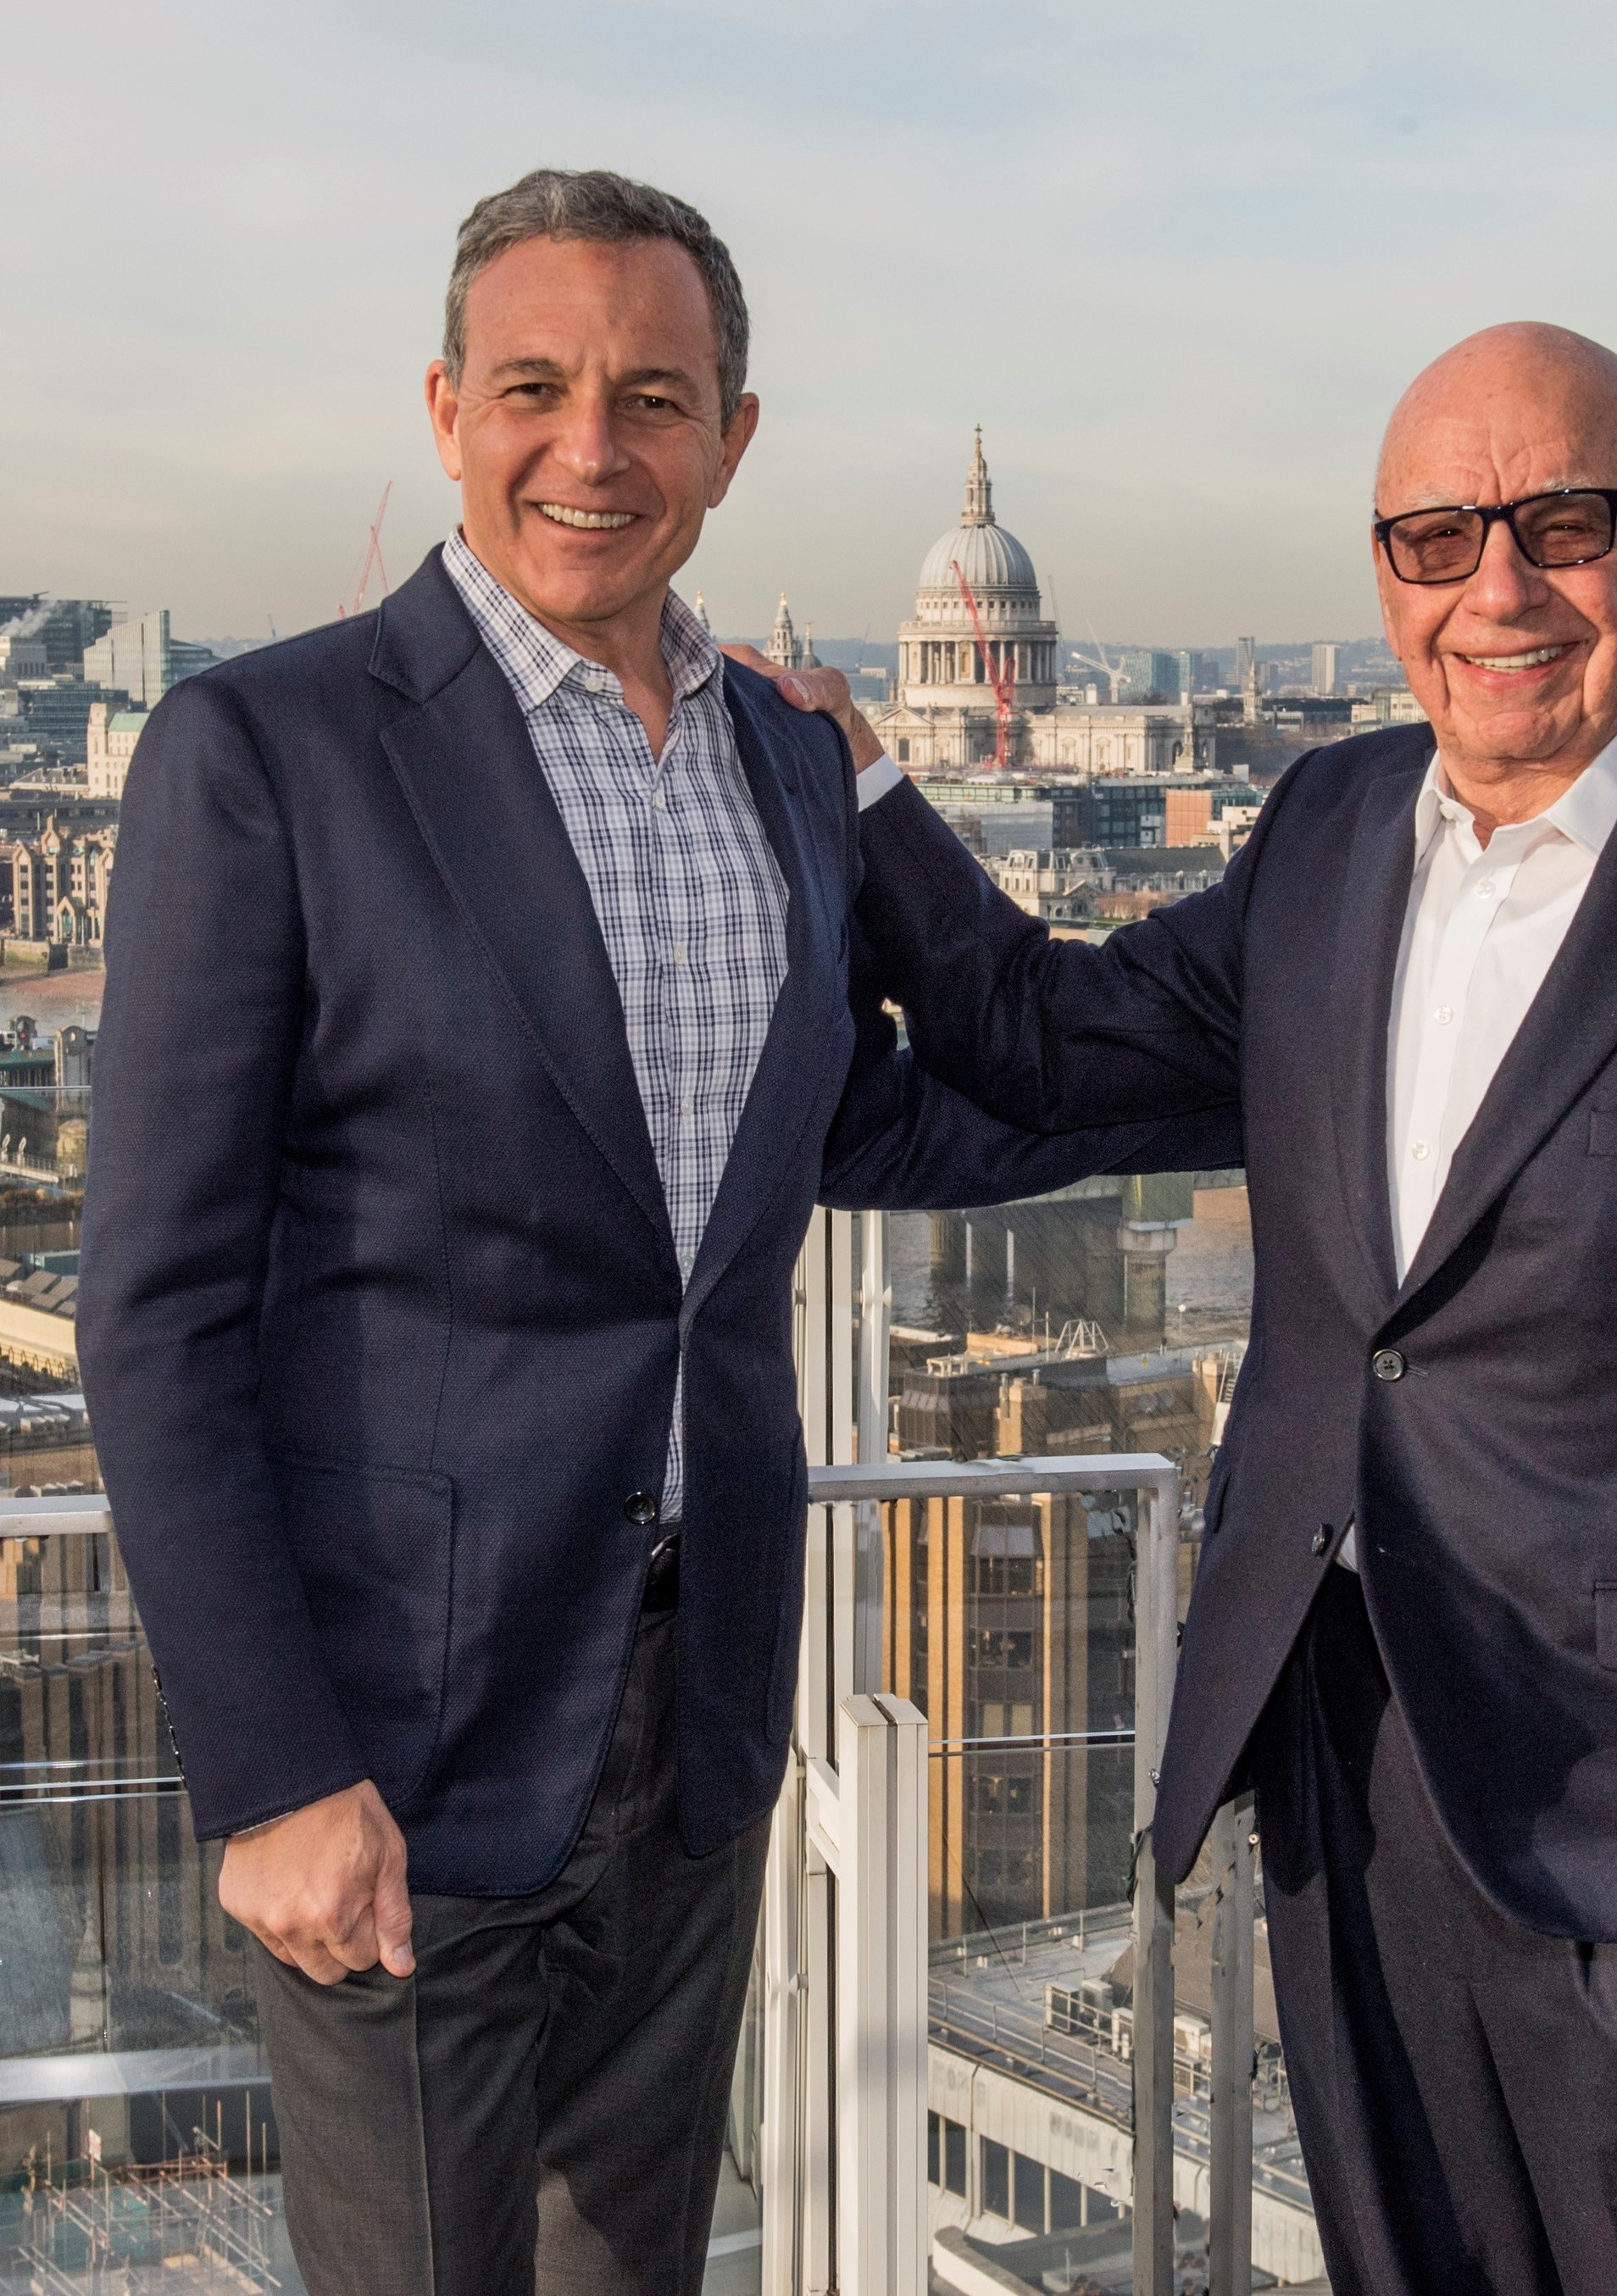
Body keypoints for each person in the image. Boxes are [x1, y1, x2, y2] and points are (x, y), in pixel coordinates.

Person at [767, 323, 1617, 2292]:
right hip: (1343, 1772)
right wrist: (862, 793)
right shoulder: (1331, 827)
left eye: (1563, 520)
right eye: (1441, 535)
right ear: (1387, 577)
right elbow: (1050, 1044)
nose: (1500, 587)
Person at [76, 168, 1234, 2296]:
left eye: (652, 396)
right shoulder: (271, 750)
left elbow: (847, 1119)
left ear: (734, 436)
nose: (590, 449)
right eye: (535, 386)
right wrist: (272, 1776)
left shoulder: (786, 764)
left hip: (692, 1707)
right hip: (398, 1742)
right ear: (444, 409)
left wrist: (1309, 1063)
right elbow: (149, 1314)